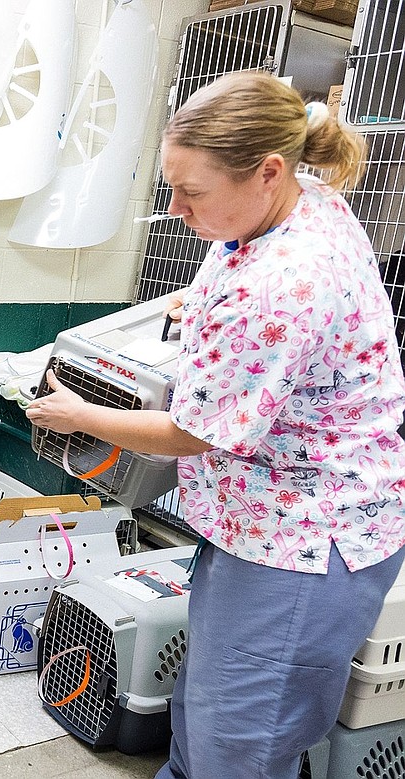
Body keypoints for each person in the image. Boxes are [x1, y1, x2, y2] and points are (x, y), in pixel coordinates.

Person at [26, 71, 405, 779]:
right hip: (254, 522)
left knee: (241, 746)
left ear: (266, 171)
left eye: (192, 193)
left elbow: (194, 432)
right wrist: (194, 307)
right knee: (204, 719)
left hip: (301, 540)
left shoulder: (289, 282)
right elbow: (236, 269)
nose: (176, 209)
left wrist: (78, 415)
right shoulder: (290, 201)